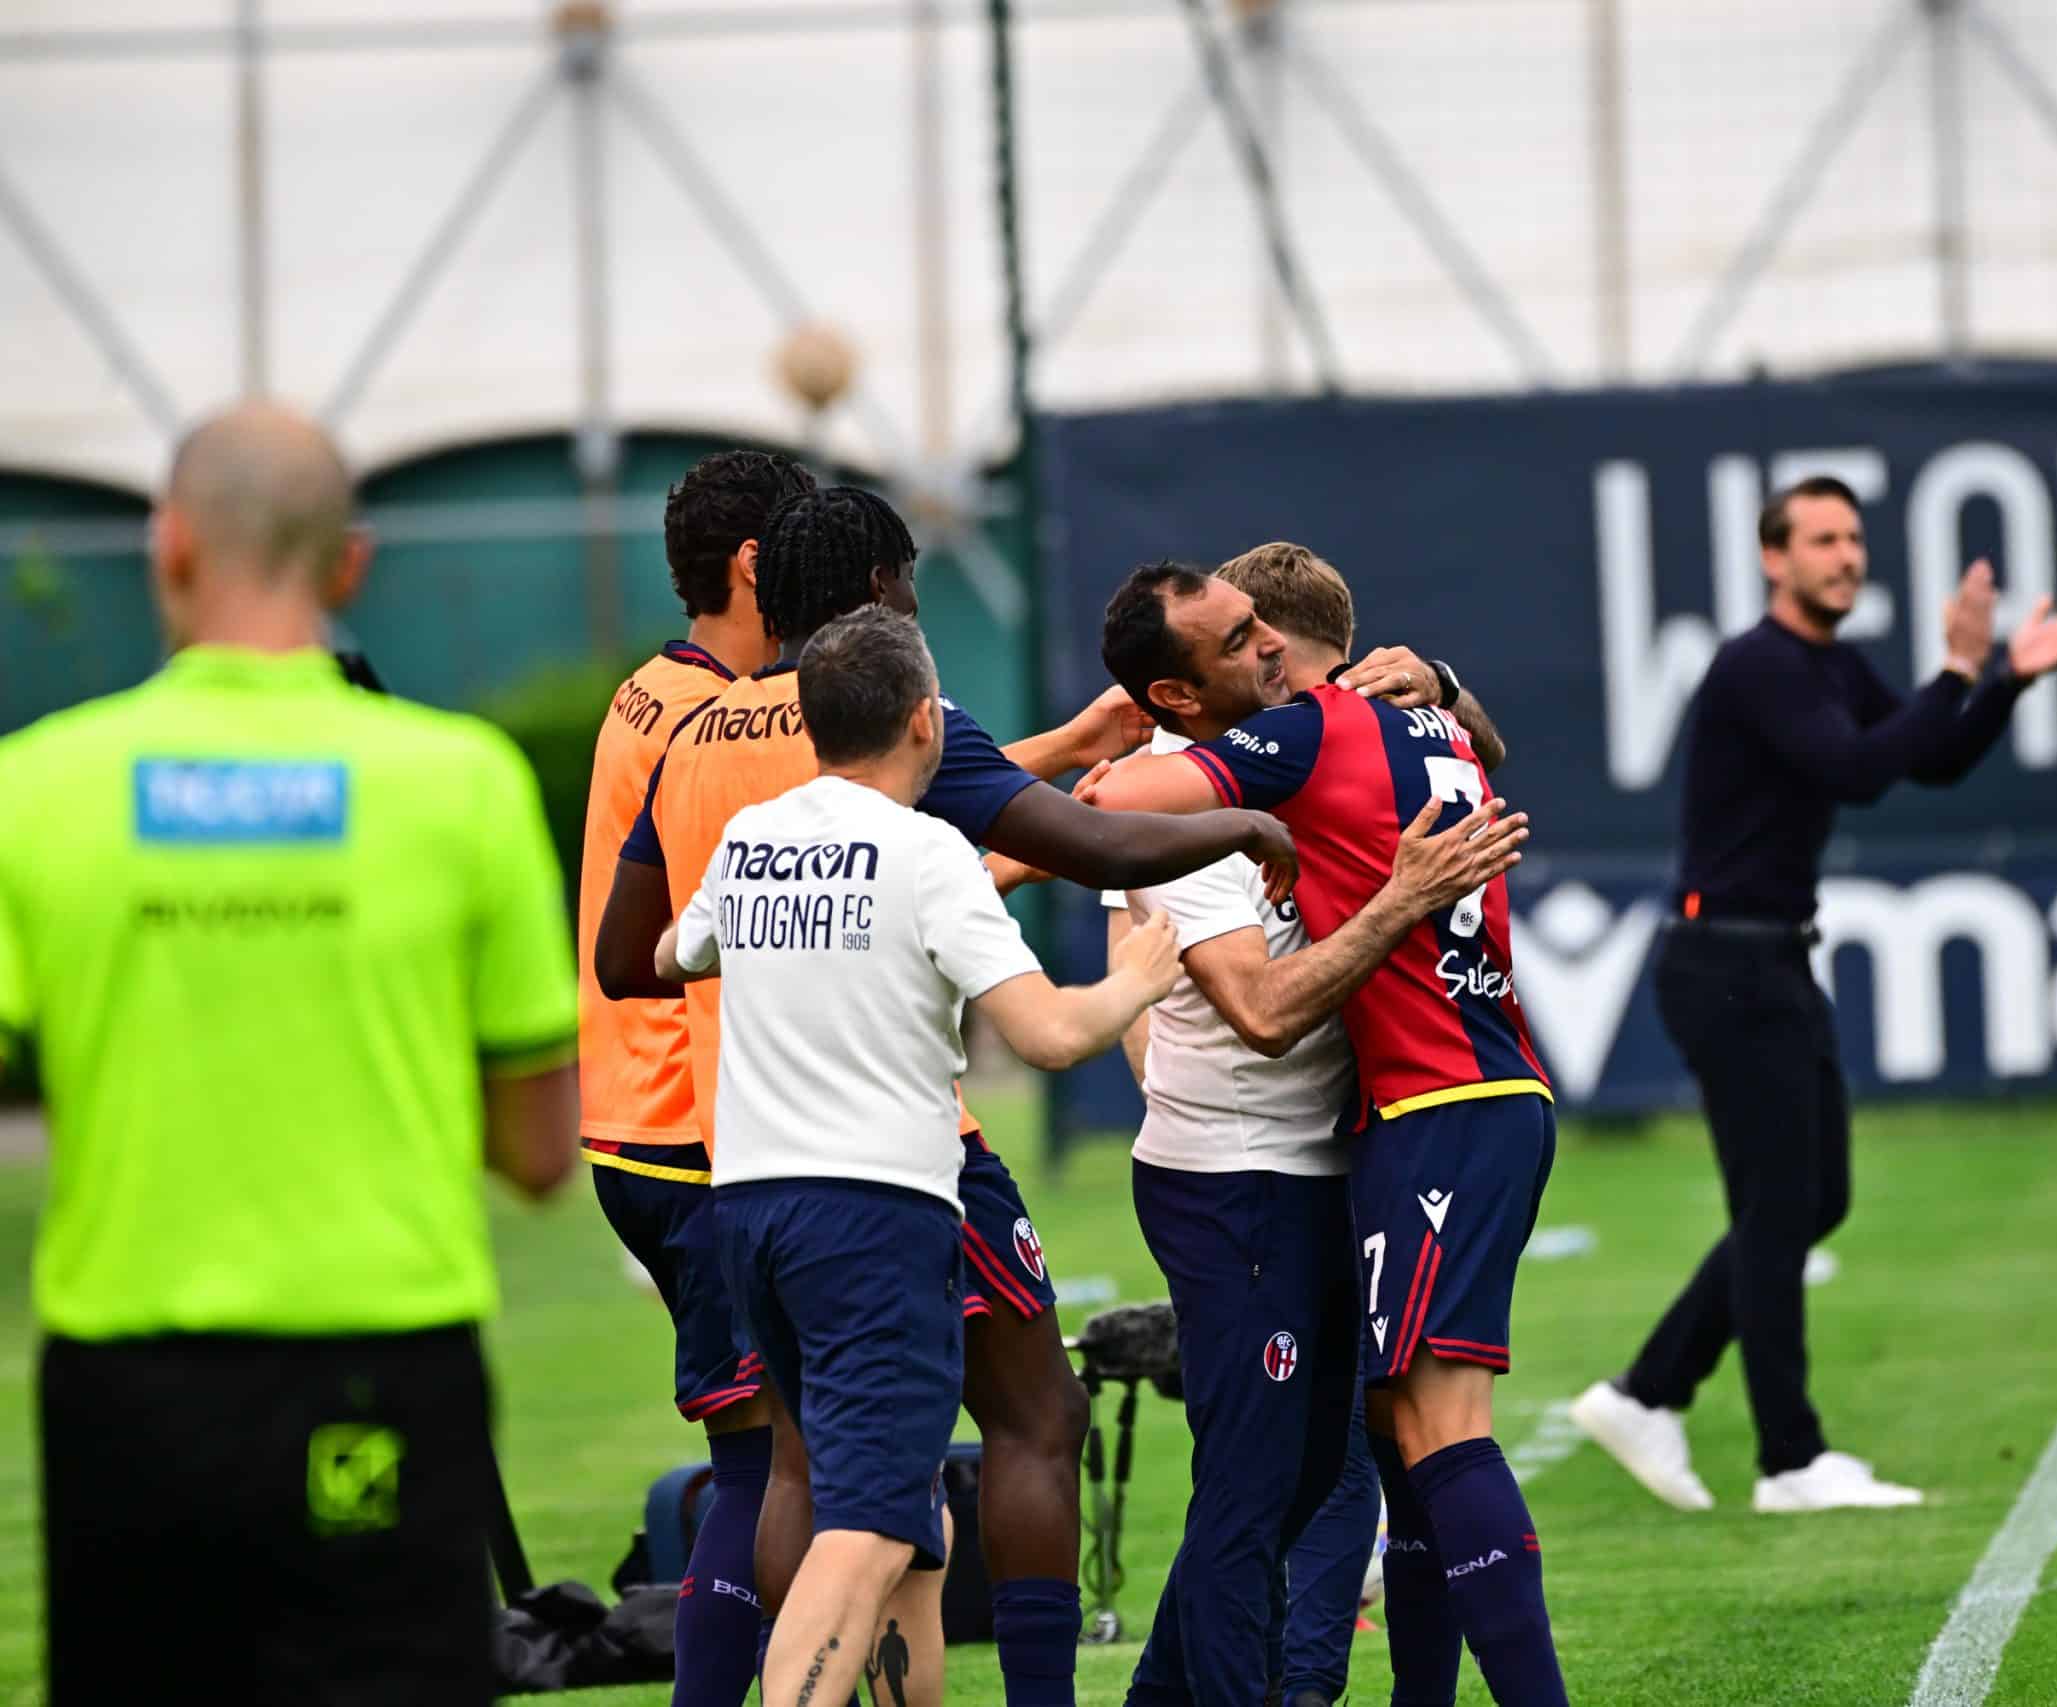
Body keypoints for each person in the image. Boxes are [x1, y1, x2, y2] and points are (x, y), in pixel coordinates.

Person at [595, 484, 1294, 1705]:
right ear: (883, 599)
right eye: (911, 581)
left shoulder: (698, 736)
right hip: (895, 1166)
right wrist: (1246, 831)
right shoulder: (913, 787)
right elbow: (1086, 876)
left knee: (801, 1473)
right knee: (1032, 1420)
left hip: (736, 1159)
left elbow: (630, 960)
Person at [0, 402, 581, 1705]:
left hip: (128, 1391)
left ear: (170, 548)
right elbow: (541, 1152)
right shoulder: (463, 782)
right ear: (351, 563)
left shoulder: (38, 787)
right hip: (383, 1360)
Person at [651, 605, 1184, 1707]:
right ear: (922, 723)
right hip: (873, 1217)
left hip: (751, 1209)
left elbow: (671, 951)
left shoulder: (753, 833)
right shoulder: (928, 851)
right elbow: (1045, 1035)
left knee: (876, 1508)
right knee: (869, 1522)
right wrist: (1140, 979)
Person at [1568, 475, 2057, 1515]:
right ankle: (1789, 1461)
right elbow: (1854, 769)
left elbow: (1928, 759)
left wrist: (2003, 683)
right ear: (1774, 558)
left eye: (1853, 539)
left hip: (1769, 961)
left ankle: (1646, 1392)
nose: (1846, 556)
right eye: (1821, 540)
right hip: (1723, 963)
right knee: (1777, 1208)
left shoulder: (1828, 661)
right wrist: (1954, 667)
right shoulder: (1756, 664)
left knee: (1815, 1201)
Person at [1092, 560, 1566, 1707]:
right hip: (1392, 1118)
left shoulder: (1308, 735)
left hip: (1435, 1104)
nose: (1258, 654)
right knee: (1383, 1445)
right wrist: (1444, 685)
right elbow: (1482, 749)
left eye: (1260, 635)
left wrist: (1232, 811)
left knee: (1421, 1437)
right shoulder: (1418, 722)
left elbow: (1108, 814)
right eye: (1231, 639)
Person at [575, 448, 811, 1705]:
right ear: (756, 565)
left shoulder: (664, 691)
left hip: (642, 1127)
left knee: (785, 1453)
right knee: (766, 1462)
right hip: (690, 1128)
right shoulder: (704, 716)